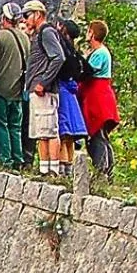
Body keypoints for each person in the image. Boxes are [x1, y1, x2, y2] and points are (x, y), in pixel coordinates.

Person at [22, 0, 65, 175]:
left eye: (27, 15)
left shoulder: (46, 32)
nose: (24, 20)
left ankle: (53, 170)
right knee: (41, 132)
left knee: (49, 130)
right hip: (38, 90)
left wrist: (43, 82)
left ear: (37, 14)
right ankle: (44, 169)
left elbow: (58, 57)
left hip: (44, 91)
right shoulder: (40, 34)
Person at [0, 2, 29, 168]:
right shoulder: (25, 38)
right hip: (18, 90)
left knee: (0, 124)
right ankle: (18, 159)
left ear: (4, 18)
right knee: (15, 126)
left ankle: (5, 160)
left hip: (0, 88)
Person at [79, 19, 120, 178]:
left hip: (98, 98)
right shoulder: (101, 52)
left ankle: (102, 169)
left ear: (93, 33)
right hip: (100, 96)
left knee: (97, 134)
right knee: (101, 135)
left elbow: (89, 73)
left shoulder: (100, 54)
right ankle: (107, 170)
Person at [55, 19, 89, 171]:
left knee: (63, 131)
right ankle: (69, 164)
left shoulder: (64, 52)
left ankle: (62, 164)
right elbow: (89, 71)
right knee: (70, 135)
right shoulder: (76, 54)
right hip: (72, 93)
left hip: (62, 92)